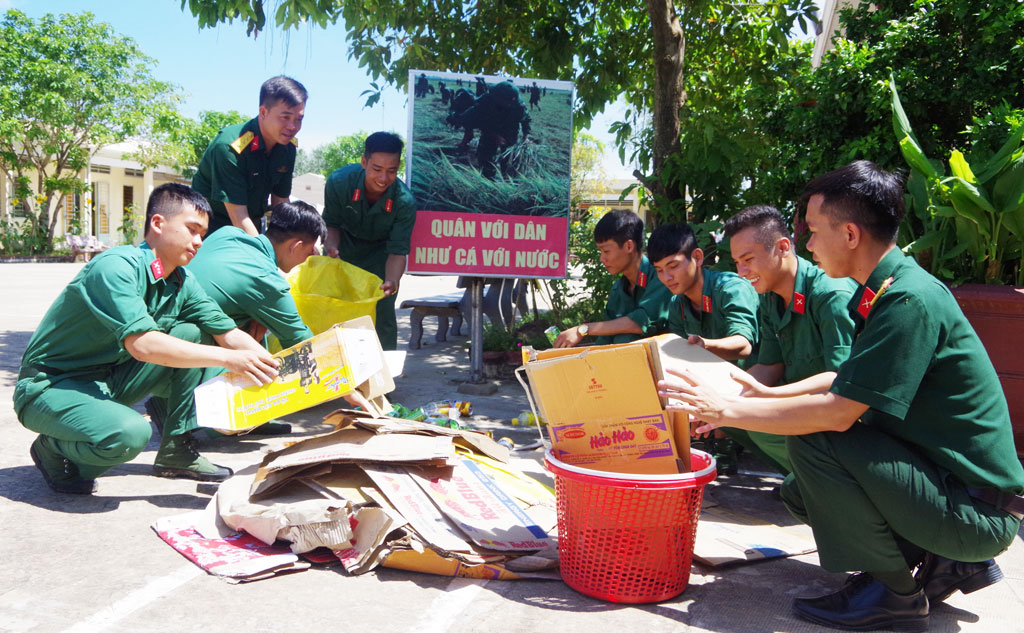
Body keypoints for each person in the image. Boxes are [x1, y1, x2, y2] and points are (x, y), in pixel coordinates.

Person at [660, 161, 1024, 632]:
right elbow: (842, 380)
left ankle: (894, 593)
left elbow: (838, 413)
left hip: (976, 514)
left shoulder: (907, 301)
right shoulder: (887, 292)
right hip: (953, 492)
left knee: (815, 439)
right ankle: (941, 561)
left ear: (850, 234)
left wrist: (729, 409)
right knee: (799, 491)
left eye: (813, 231)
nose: (809, 244)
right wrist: (754, 394)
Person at [14, 184, 280, 493]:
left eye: (202, 235)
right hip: (51, 387)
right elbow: (143, 345)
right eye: (192, 230)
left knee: (192, 333)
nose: (198, 242)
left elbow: (228, 333)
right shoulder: (116, 267)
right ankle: (51, 449)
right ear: (157, 223)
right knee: (128, 435)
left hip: (108, 380)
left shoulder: (181, 281)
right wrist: (231, 359)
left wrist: (282, 369)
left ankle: (176, 451)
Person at [719, 205, 858, 476]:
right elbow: (771, 366)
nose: (742, 271)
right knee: (727, 417)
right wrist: (719, 399)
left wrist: (766, 397)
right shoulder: (770, 296)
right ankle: (803, 481)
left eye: (748, 259)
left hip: (840, 414)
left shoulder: (830, 294)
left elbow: (841, 376)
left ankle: (830, 485)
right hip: (802, 403)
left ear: (783, 247)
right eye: (737, 262)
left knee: (754, 423)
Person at [647, 222, 760, 473]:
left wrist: (704, 346)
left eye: (673, 266)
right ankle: (699, 440)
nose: (666, 277)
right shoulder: (677, 303)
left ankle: (724, 441)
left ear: (697, 257)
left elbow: (743, 345)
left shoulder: (731, 288)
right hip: (714, 396)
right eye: (659, 270)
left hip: (757, 389)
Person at [323, 132, 416, 351]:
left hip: (381, 256)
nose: (383, 179)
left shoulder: (405, 202)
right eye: (377, 169)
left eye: (391, 171)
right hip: (343, 251)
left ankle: (384, 379)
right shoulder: (339, 182)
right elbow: (331, 225)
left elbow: (397, 251)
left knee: (381, 311)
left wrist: (392, 281)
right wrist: (331, 249)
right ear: (364, 162)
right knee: (337, 310)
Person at [192, 76, 307, 236]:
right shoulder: (230, 147)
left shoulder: (287, 148)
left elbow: (280, 203)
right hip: (209, 233)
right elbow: (239, 218)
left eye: (299, 119)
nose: (292, 126)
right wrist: (265, 255)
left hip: (250, 227)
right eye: (285, 117)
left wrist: (292, 240)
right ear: (263, 112)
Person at [554, 209, 671, 348]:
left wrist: (583, 330)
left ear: (629, 246)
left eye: (606, 251)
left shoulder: (661, 276)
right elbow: (605, 340)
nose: (602, 258)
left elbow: (640, 322)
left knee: (625, 339)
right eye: (600, 251)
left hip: (671, 363)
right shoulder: (618, 290)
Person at [447, 80, 531, 179]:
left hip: (509, 129)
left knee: (509, 157)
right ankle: (487, 178)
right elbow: (478, 120)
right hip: (490, 127)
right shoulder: (486, 100)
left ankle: (508, 179)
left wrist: (526, 137)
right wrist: (493, 135)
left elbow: (526, 120)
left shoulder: (518, 106)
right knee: (485, 156)